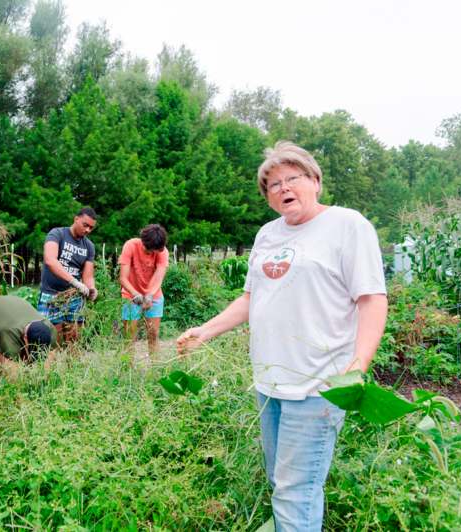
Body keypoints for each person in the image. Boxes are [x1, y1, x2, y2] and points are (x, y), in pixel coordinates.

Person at [177, 141, 388, 531]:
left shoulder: (347, 225)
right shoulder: (267, 235)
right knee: (282, 482)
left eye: (293, 178)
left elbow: (371, 299)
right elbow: (251, 299)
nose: (283, 188)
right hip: (270, 381)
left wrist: (356, 368)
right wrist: (205, 331)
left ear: (315, 182)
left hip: (318, 383)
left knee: (296, 493)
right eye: (273, 185)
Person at [38, 207, 98, 343]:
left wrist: (91, 288)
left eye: (91, 228)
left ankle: (73, 364)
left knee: (75, 339)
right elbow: (50, 260)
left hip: (74, 297)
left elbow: (88, 276)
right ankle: (52, 365)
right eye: (85, 225)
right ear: (76, 219)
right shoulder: (57, 234)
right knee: (52, 340)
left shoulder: (89, 246)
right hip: (51, 296)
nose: (88, 230)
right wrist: (74, 282)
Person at [119, 224, 169, 358]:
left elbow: (159, 277)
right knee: (129, 336)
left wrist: (150, 295)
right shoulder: (130, 246)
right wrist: (135, 294)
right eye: (149, 250)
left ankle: (154, 370)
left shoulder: (162, 251)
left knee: (153, 334)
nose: (151, 253)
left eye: (155, 251)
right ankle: (127, 369)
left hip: (154, 295)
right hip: (130, 294)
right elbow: (123, 278)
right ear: (143, 241)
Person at [0, 295, 57, 368]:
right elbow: (10, 365)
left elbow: (49, 359)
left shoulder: (51, 329)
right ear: (25, 337)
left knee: (28, 359)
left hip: (11, 311)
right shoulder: (9, 332)